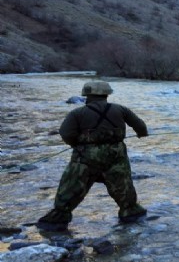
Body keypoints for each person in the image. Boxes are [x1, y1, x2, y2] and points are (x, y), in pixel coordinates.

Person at [36, 81, 149, 231]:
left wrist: (76, 145)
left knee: (72, 186)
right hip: (116, 154)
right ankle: (131, 215)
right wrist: (142, 134)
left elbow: (66, 133)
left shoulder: (77, 113)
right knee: (122, 184)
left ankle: (57, 221)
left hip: (85, 157)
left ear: (86, 95)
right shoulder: (121, 109)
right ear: (107, 94)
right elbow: (140, 126)